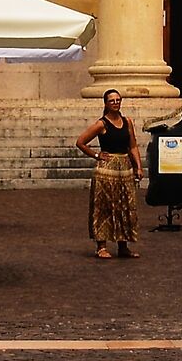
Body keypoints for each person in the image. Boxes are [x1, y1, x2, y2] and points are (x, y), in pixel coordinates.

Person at [75, 88, 144, 259]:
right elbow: (81, 142)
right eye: (112, 100)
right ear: (106, 103)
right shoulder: (102, 124)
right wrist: (97, 155)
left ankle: (123, 245)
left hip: (124, 169)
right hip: (107, 170)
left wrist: (138, 167)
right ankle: (101, 246)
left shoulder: (127, 121)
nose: (115, 103)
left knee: (125, 206)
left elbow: (133, 146)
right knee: (104, 206)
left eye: (118, 100)